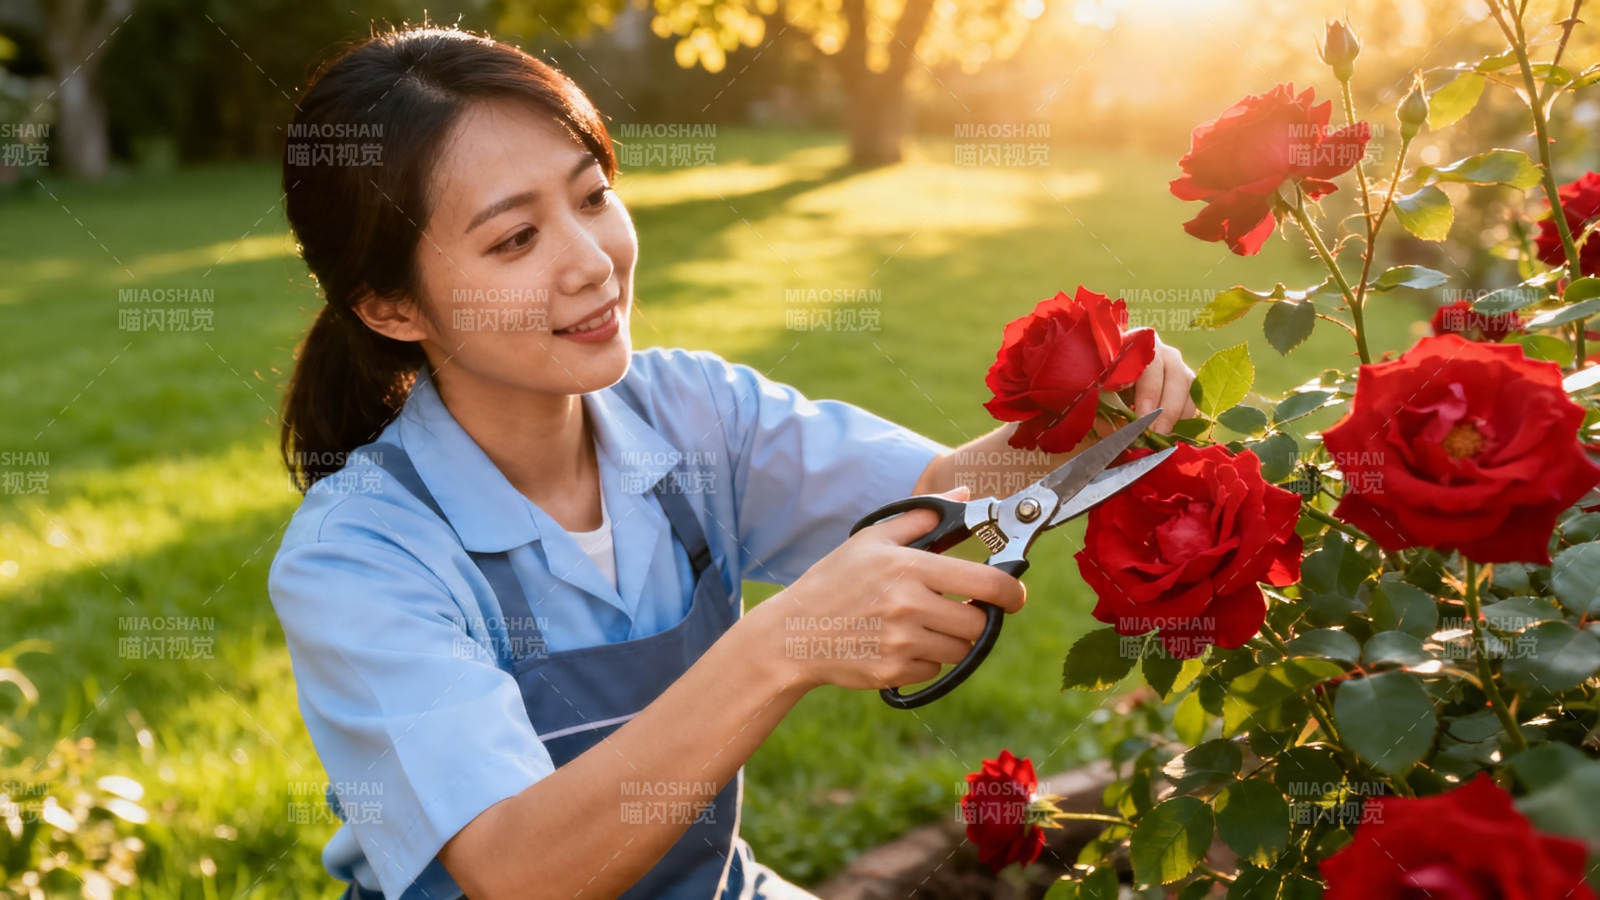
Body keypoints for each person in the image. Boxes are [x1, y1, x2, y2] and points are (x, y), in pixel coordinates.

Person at [267, 24, 1196, 900]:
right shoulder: (356, 558)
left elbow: (936, 496)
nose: (592, 261)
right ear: (391, 307)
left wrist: (1093, 415)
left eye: (592, 197)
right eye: (516, 238)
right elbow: (519, 872)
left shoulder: (690, 411)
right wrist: (785, 645)